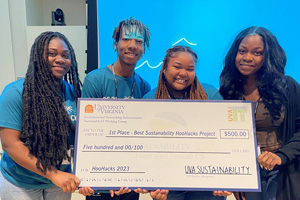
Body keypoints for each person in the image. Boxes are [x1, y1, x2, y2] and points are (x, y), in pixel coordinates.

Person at [219, 26, 300, 200]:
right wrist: (236, 178)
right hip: (247, 173)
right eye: (242, 51)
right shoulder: (228, 90)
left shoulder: (288, 87)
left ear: (268, 56)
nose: (247, 58)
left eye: (257, 53)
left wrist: (281, 156)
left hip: (281, 171)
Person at [0, 31, 82, 200]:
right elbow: (10, 144)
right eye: (52, 54)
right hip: (21, 182)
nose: (60, 59)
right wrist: (53, 174)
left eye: (65, 55)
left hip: (59, 182)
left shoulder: (73, 93)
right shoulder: (15, 93)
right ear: (37, 56)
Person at [80, 17, 151, 200]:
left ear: (143, 49)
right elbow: (87, 133)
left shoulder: (144, 86)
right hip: (100, 176)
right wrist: (104, 178)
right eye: (126, 39)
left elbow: (143, 136)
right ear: (115, 44)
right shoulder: (94, 80)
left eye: (139, 41)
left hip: (130, 179)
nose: (132, 45)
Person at [143, 45, 226, 200]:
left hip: (206, 182)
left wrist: (226, 179)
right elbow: (143, 148)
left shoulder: (210, 95)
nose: (183, 73)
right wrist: (148, 182)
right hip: (166, 184)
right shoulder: (149, 100)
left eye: (190, 68)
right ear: (164, 69)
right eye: (177, 66)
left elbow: (224, 140)